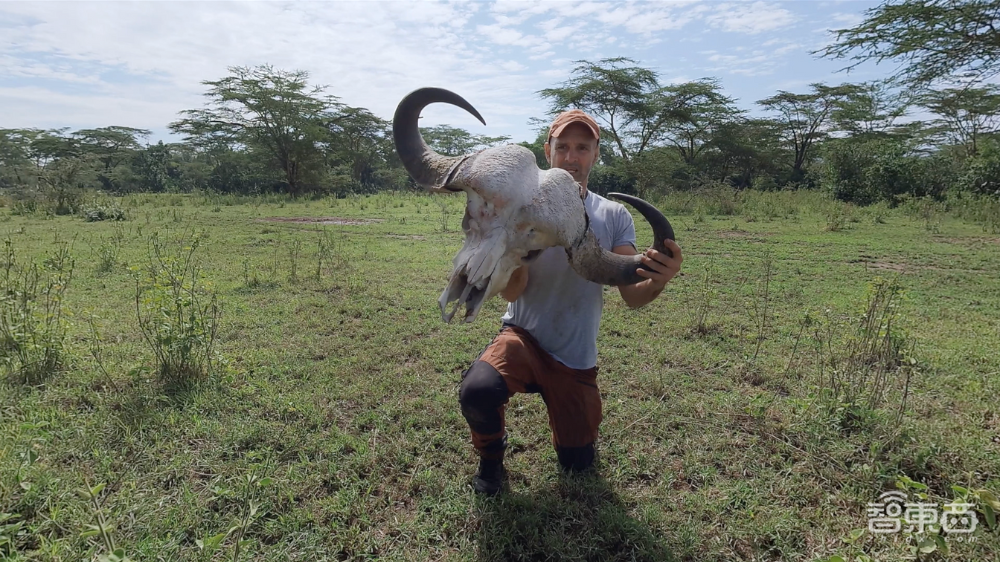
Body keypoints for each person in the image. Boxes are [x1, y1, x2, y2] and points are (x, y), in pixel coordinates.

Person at [457, 109, 684, 495]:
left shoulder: (613, 214)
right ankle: (491, 463)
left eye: (582, 147)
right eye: (562, 147)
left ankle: (573, 437)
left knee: (577, 464)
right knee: (477, 390)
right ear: (548, 151)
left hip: (575, 354)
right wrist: (521, 249)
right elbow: (512, 293)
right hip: (522, 337)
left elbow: (633, 296)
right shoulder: (517, 207)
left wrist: (661, 278)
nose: (572, 157)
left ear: (596, 153)